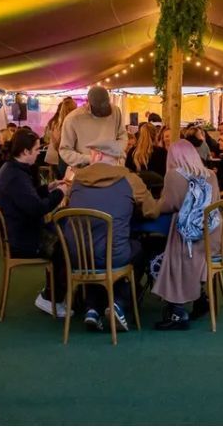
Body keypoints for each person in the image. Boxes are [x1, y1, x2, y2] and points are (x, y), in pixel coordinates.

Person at [65, 139, 158, 332]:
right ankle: (119, 302)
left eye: (91, 153)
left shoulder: (76, 180)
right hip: (115, 255)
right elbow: (152, 211)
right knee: (136, 249)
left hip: (77, 257)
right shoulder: (129, 179)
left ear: (98, 155)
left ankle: (92, 308)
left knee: (95, 248)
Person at [0, 128, 68, 318]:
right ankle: (50, 297)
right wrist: (61, 193)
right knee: (65, 246)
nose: (38, 153)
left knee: (64, 234)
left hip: (18, 231)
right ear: (25, 152)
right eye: (35, 150)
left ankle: (55, 291)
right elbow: (37, 208)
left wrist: (48, 188)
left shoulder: (11, 169)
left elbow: (27, 198)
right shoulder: (16, 176)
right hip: (24, 238)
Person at [152, 140, 222, 330]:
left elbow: (168, 205)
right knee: (178, 244)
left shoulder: (174, 175)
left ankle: (177, 311)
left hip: (191, 238)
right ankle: (200, 298)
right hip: (213, 236)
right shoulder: (210, 175)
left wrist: (151, 204)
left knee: (173, 249)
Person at [59, 86, 128, 169]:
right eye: (99, 109)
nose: (103, 111)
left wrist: (118, 156)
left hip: (113, 169)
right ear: (89, 103)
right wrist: (90, 159)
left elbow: (122, 136)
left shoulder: (115, 111)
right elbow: (65, 150)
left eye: (105, 107)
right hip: (86, 171)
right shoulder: (73, 119)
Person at [43, 97, 78, 174]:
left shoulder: (56, 123)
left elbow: (51, 140)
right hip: (64, 159)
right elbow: (58, 144)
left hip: (58, 158)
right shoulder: (66, 124)